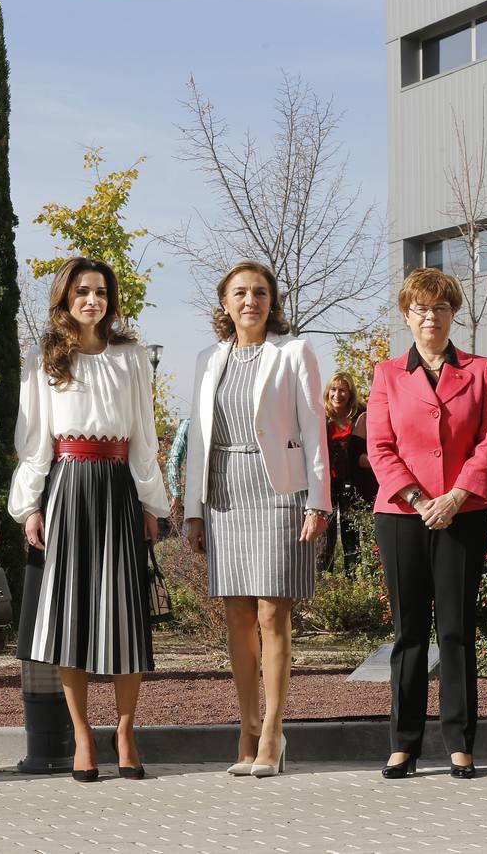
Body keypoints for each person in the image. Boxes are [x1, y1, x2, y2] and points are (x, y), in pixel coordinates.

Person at [10, 256, 170, 782]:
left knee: (125, 612)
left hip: (120, 486)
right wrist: (29, 505)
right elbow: (34, 443)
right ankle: (82, 736)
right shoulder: (44, 360)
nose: (92, 301)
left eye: (100, 292)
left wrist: (153, 504)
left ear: (111, 299)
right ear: (65, 298)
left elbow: (144, 436)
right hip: (68, 485)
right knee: (69, 615)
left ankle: (125, 730)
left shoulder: (132, 356)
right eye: (82, 291)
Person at [183, 261, 330, 778]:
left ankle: (272, 731)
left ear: (273, 301)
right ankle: (245, 729)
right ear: (224, 302)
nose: (251, 301)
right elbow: (197, 439)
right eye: (240, 292)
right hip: (224, 490)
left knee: (272, 613)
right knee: (238, 617)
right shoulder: (207, 359)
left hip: (279, 491)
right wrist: (193, 510)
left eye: (261, 292)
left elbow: (314, 428)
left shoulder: (294, 351)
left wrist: (319, 501)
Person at [367, 268, 487, 781]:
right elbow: (380, 446)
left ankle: (460, 743)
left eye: (440, 308)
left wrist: (456, 496)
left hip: (463, 514)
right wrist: (422, 499)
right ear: (407, 316)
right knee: (409, 634)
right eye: (420, 309)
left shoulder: (480, 369)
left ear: (452, 314)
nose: (430, 317)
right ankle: (404, 743)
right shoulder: (386, 374)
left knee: (457, 630)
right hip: (402, 515)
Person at [323, 371, 377, 572]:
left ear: (350, 393)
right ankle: (326, 579)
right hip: (326, 483)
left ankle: (354, 577)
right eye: (334, 390)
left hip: (352, 483)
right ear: (328, 392)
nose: (338, 394)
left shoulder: (359, 417)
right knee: (325, 535)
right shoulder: (322, 418)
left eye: (342, 390)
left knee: (351, 532)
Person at [166, 417, 191, 529]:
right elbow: (173, 461)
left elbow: (173, 460)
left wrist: (176, 495)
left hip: (192, 498)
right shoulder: (188, 424)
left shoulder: (189, 424)